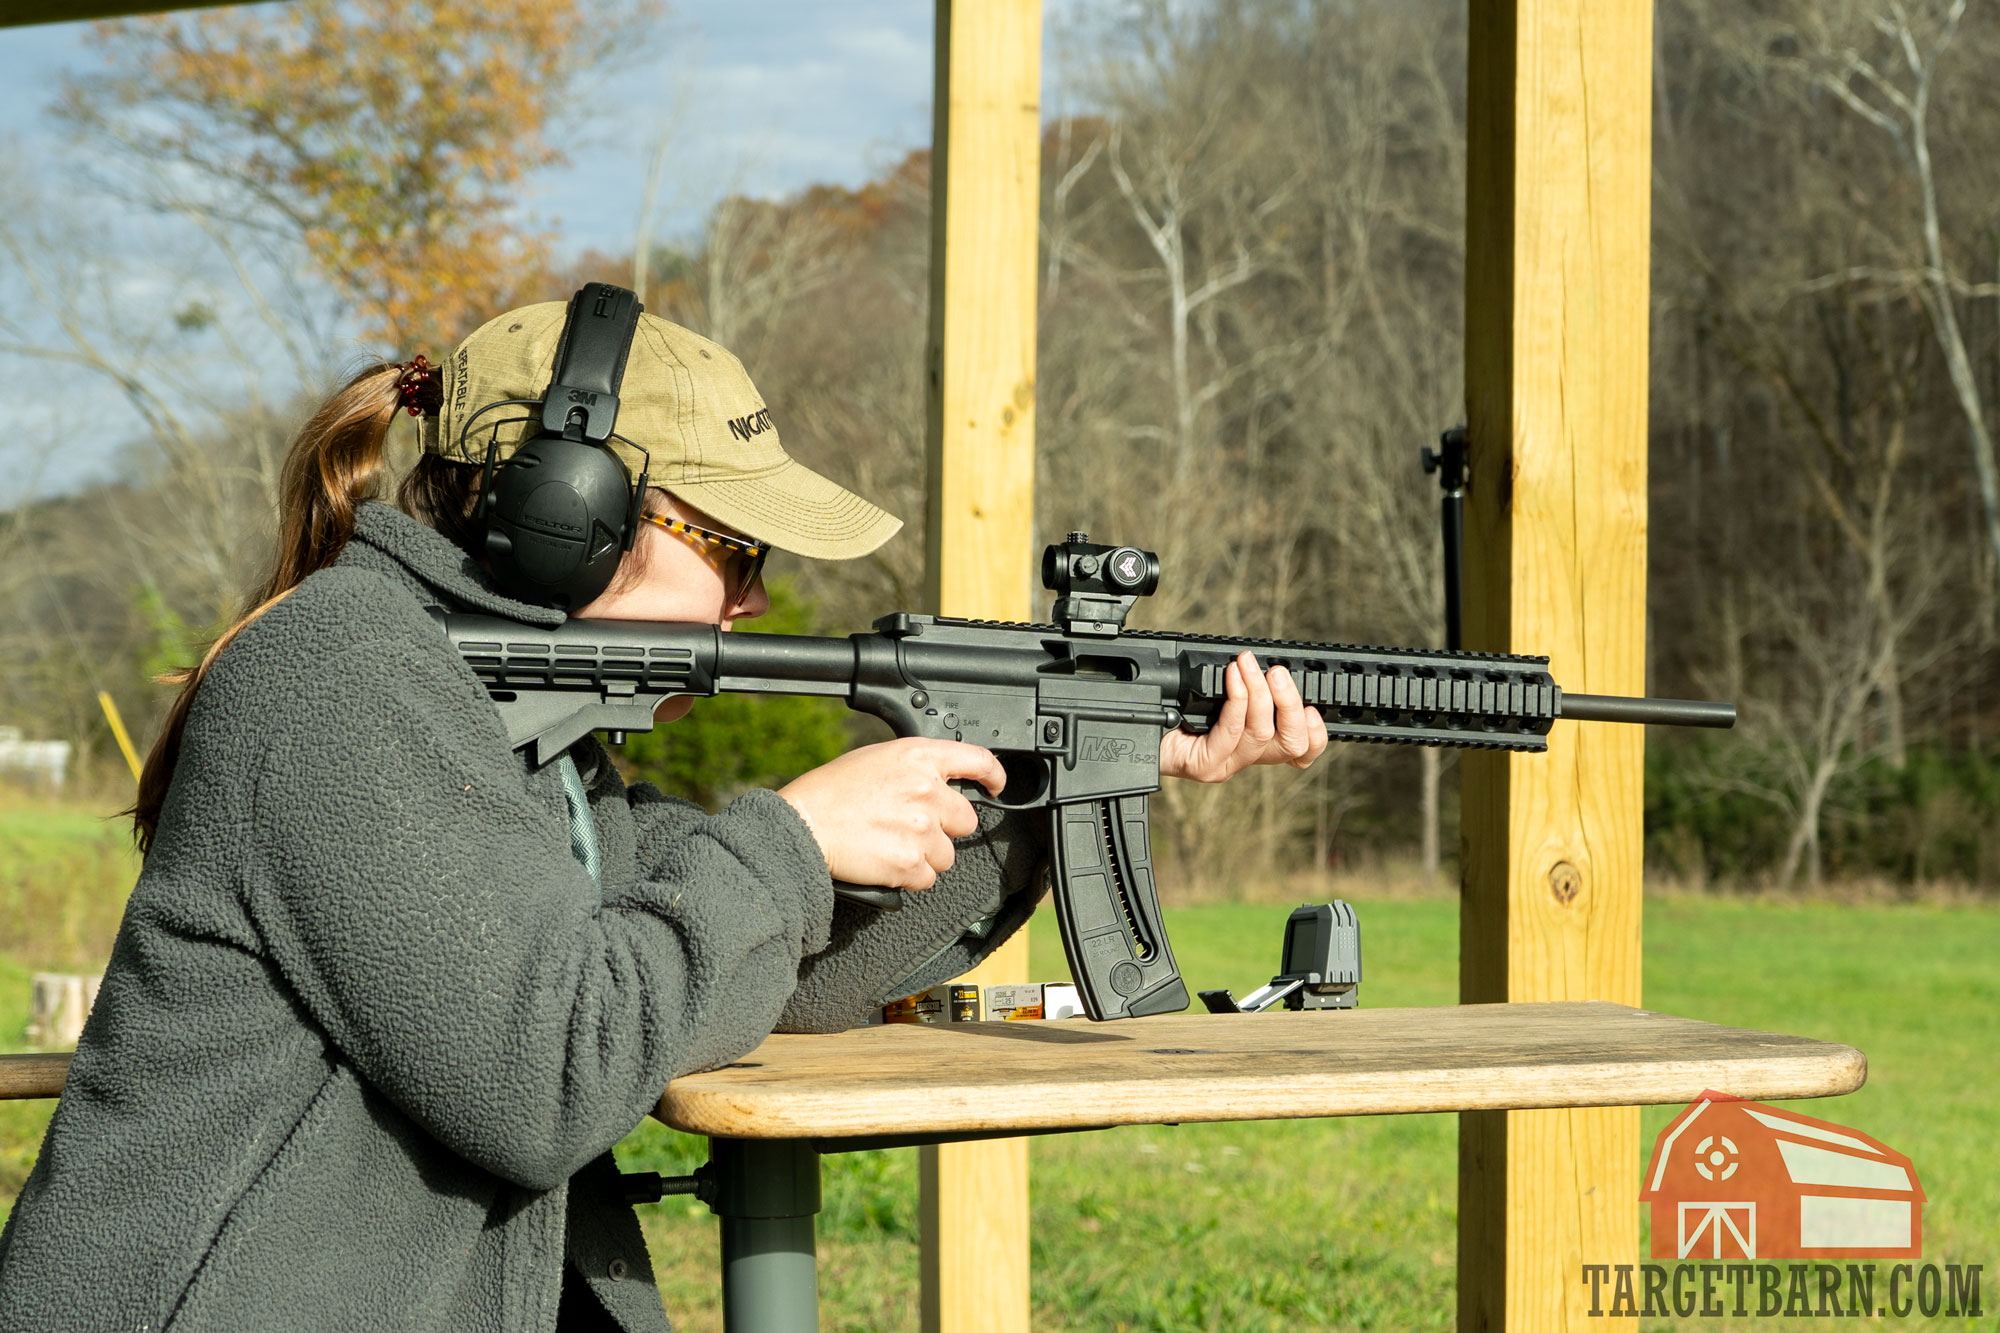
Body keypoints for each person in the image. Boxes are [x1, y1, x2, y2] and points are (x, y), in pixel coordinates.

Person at [0, 298, 1327, 1332]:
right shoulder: (347, 676)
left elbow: (785, 975)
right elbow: (548, 1069)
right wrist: (790, 841)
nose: (751, 602)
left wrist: (1047, 788)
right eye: (733, 554)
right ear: (568, 516)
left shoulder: (538, 745)